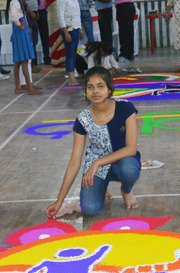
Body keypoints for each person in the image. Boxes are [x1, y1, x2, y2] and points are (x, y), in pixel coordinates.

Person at [46, 67, 141, 218]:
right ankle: (102, 186)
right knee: (90, 209)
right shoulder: (82, 119)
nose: (95, 91)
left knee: (129, 169)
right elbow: (74, 162)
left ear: (109, 89)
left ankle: (126, 190)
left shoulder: (125, 108)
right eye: (90, 87)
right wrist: (59, 201)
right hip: (97, 169)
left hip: (122, 161)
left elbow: (131, 149)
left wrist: (97, 163)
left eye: (100, 86)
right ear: (86, 91)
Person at [9, 0, 39, 93]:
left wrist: (26, 27)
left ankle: (18, 88)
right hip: (20, 32)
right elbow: (13, 16)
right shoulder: (15, 2)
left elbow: (23, 17)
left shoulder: (21, 3)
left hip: (22, 30)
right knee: (24, 60)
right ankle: (29, 88)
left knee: (18, 62)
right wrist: (20, 25)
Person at [57, 0, 82, 84]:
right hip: (68, 28)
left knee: (74, 53)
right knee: (70, 53)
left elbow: (77, 13)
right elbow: (60, 16)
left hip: (76, 27)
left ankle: (74, 73)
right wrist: (65, 32)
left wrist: (80, 27)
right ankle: (71, 77)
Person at [114, 0, 136, 69]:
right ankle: (130, 53)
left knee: (124, 32)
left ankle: (124, 54)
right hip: (129, 5)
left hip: (123, 6)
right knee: (129, 31)